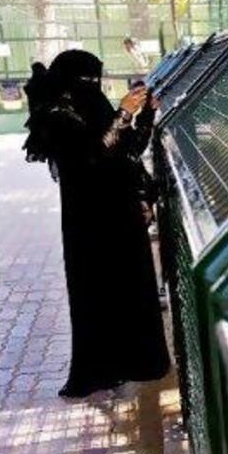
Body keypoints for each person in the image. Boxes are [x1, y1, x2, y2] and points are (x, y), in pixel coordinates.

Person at [23, 49, 170, 398]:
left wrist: (145, 115)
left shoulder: (94, 106)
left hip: (119, 215)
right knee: (98, 292)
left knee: (131, 288)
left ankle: (137, 361)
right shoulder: (57, 115)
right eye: (87, 80)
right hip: (90, 222)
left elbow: (127, 149)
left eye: (96, 79)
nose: (94, 86)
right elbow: (92, 155)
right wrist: (123, 113)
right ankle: (103, 368)